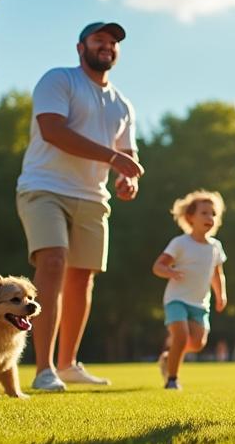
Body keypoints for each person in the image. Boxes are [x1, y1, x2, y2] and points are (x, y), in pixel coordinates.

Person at [16, 22, 142, 391]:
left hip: (92, 197)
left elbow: (127, 153)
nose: (107, 46)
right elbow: (53, 131)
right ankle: (43, 370)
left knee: (82, 278)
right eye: (99, 40)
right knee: (53, 261)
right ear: (80, 47)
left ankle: (68, 364)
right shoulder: (58, 80)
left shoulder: (123, 103)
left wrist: (126, 177)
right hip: (44, 187)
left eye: (113, 42)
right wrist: (114, 159)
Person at [154, 190, 228, 390]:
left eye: (213, 213)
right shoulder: (180, 243)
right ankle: (172, 379)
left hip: (200, 303)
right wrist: (169, 271)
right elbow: (158, 266)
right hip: (176, 299)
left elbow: (217, 274)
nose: (210, 217)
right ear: (190, 217)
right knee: (181, 336)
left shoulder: (215, 247)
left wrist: (221, 294)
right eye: (204, 213)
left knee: (197, 344)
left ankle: (169, 358)